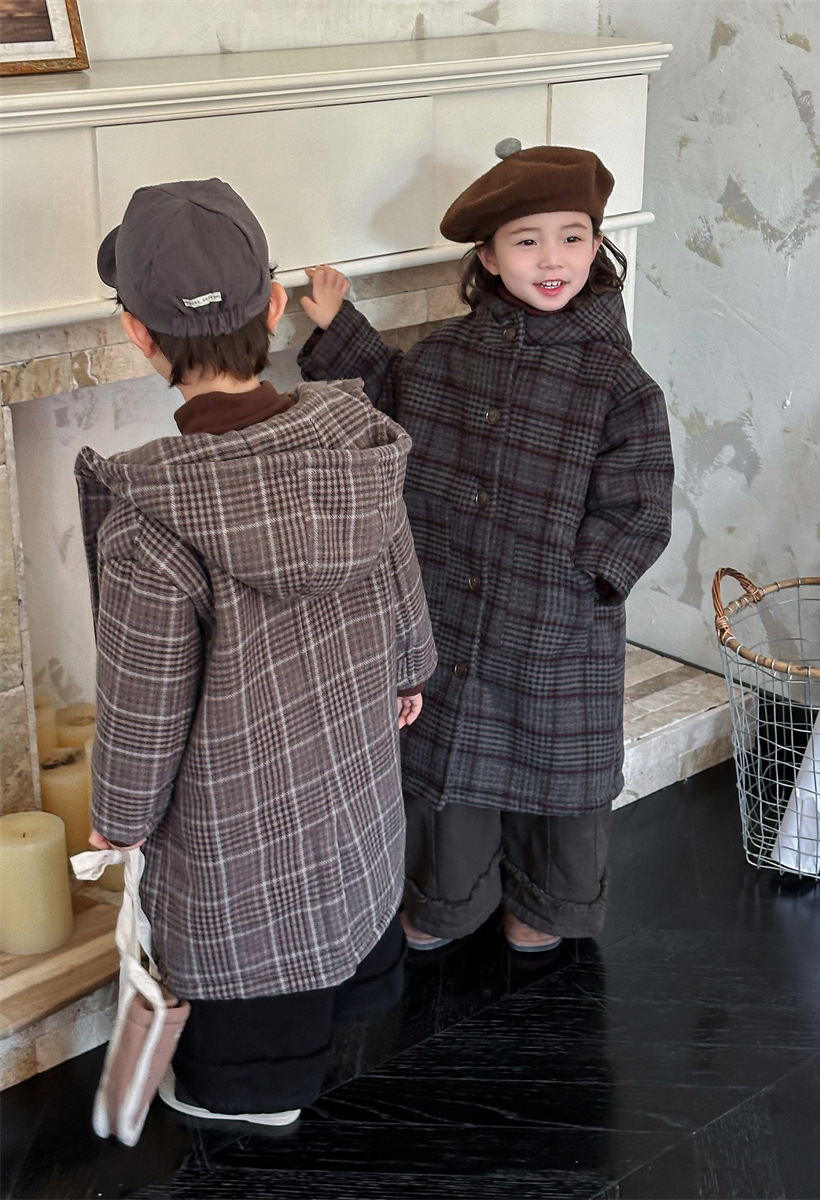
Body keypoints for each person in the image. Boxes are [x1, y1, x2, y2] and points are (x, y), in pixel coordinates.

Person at [75, 178, 436, 1126]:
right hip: (349, 769)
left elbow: (144, 703)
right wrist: (409, 669)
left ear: (138, 335)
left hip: (231, 811)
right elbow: (401, 578)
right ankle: (339, 1026)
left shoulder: (151, 521)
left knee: (244, 919)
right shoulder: (357, 447)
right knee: (340, 872)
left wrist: (119, 818)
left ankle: (253, 1097)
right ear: (276, 307)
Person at [296, 144, 674, 954]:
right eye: (527, 241)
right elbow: (390, 400)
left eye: (572, 238)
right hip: (451, 615)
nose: (552, 259)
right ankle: (446, 900)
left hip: (559, 629)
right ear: (489, 256)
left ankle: (548, 905)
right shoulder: (444, 356)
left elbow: (640, 506)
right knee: (450, 769)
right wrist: (339, 328)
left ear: (597, 248)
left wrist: (580, 584)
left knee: (555, 779)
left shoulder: (619, 384)